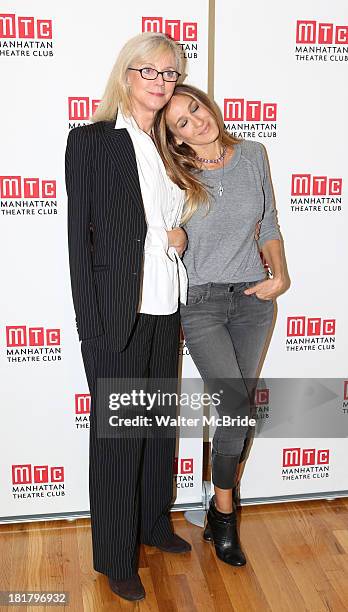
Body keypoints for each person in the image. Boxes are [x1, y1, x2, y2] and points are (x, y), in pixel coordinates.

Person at [65, 33, 191, 603]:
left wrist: (181, 235)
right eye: (151, 72)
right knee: (119, 438)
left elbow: (177, 219)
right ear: (126, 76)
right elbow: (80, 242)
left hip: (167, 306)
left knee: (157, 427)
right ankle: (116, 556)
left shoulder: (170, 145)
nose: (162, 82)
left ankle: (153, 525)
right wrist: (91, 329)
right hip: (119, 312)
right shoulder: (92, 142)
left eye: (170, 73)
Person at [153, 83, 288, 567]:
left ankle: (217, 507)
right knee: (234, 407)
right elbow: (159, 231)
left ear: (207, 104)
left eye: (195, 108)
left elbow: (268, 223)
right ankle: (225, 514)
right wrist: (172, 237)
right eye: (182, 123)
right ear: (175, 138)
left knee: (239, 410)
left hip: (253, 300)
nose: (196, 121)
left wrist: (280, 275)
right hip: (202, 304)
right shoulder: (173, 172)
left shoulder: (253, 154)